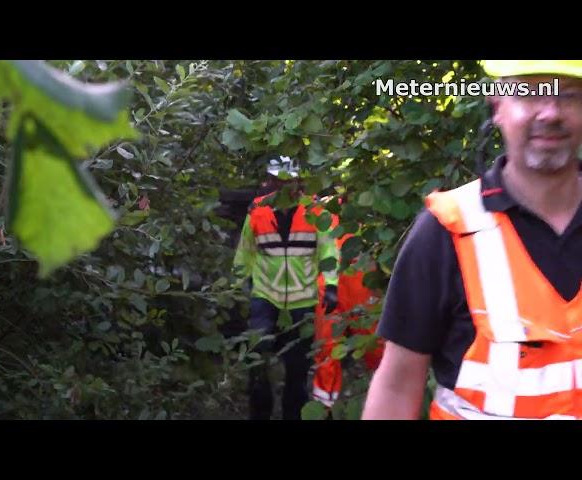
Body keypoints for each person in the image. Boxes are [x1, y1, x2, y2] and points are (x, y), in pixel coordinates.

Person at [362, 60, 582, 420]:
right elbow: (398, 386)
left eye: (569, 96)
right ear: (497, 106)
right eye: (528, 94)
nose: (550, 111)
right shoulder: (446, 232)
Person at [233, 155, 339, 420]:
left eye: (288, 181)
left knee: (297, 368)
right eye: (277, 181)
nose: (282, 187)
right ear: (269, 181)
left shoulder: (315, 212)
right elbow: (244, 253)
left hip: (302, 301)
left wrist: (332, 285)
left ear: (299, 182)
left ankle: (293, 413)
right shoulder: (257, 212)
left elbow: (328, 250)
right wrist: (235, 288)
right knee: (256, 357)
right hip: (264, 297)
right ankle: (260, 410)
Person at [312, 195, 383, 409]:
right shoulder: (321, 209)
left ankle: (383, 405)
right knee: (326, 351)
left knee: (378, 348)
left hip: (363, 287)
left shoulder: (373, 205)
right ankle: (324, 408)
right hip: (330, 287)